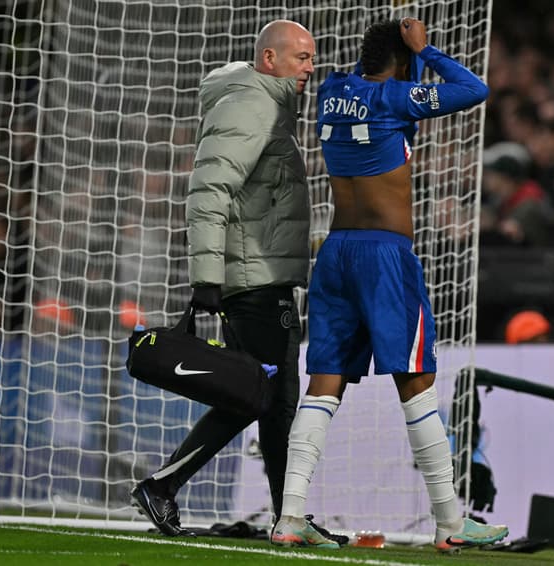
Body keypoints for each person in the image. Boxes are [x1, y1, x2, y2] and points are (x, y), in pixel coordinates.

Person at [269, 18, 509, 551]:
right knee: (416, 382)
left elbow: (362, 78)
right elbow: (474, 90)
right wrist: (426, 52)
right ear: (403, 65)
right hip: (386, 257)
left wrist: (400, 54)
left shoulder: (331, 92)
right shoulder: (397, 98)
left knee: (323, 383)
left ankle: (289, 517)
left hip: (334, 255)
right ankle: (450, 524)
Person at [131, 20, 316, 537]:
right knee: (259, 395)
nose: (309, 66)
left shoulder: (265, 104)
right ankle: (164, 484)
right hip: (252, 278)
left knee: (273, 401)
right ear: (268, 59)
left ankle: (288, 516)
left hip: (263, 273)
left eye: (311, 57)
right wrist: (206, 281)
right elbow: (209, 193)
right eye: (300, 57)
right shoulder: (253, 104)